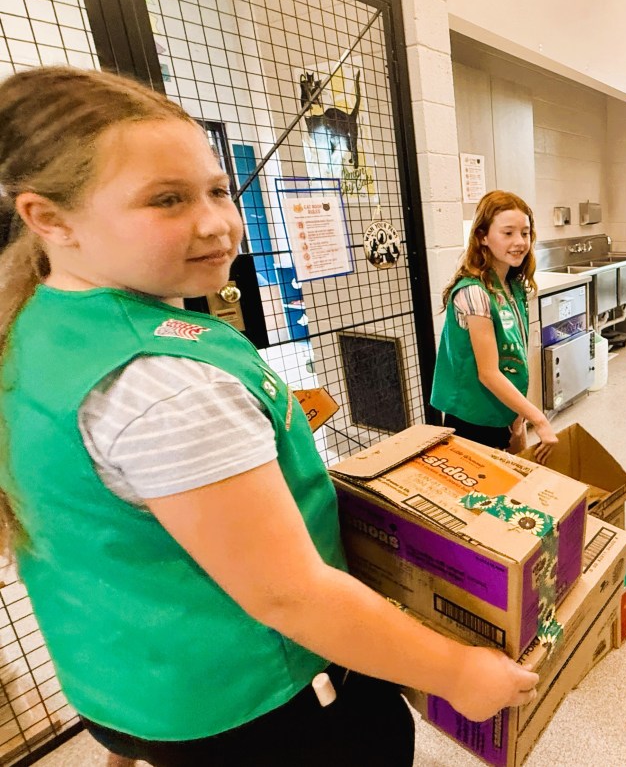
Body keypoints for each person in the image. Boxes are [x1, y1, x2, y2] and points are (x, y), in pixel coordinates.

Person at [0, 66, 538, 767]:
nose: (217, 222)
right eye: (166, 200)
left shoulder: (37, 325)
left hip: (128, 691)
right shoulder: (164, 384)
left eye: (218, 189)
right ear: (49, 218)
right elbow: (292, 595)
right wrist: (459, 673)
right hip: (261, 701)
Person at [432, 190, 557, 459]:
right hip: (473, 418)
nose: (520, 242)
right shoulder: (474, 293)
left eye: (525, 233)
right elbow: (488, 373)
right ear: (482, 237)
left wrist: (518, 414)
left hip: (502, 409)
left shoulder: (514, 286)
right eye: (508, 232)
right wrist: (539, 419)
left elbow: (515, 356)